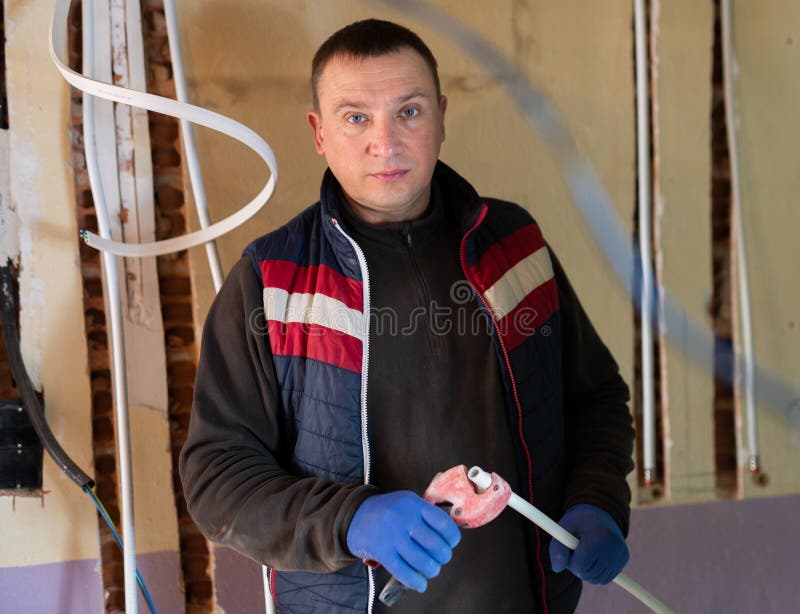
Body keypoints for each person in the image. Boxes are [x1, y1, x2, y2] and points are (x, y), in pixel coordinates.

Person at [179, 18, 635, 614]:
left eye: (410, 112)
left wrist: (598, 499)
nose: (385, 142)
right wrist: (349, 520)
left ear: (441, 118)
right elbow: (216, 480)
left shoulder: (514, 246)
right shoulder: (271, 282)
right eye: (356, 117)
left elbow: (595, 399)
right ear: (319, 133)